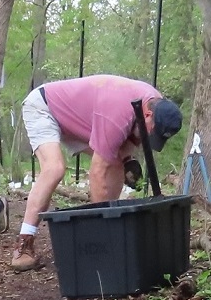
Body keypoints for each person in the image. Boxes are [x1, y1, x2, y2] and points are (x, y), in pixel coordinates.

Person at [15, 75, 183, 271]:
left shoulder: (156, 105)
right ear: (147, 115)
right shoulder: (118, 114)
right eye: (152, 132)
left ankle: (111, 231)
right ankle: (23, 245)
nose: (151, 138)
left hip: (83, 119)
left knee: (115, 163)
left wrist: (127, 160)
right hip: (45, 106)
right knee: (54, 168)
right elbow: (97, 172)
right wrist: (104, 231)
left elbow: (125, 146)